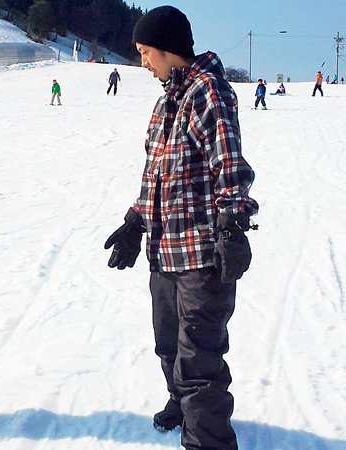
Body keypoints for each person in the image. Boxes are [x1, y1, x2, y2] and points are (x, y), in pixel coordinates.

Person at [104, 6, 257, 450]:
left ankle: (207, 440)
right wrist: (135, 222)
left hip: (202, 255)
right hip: (165, 251)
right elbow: (158, 173)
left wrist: (232, 225)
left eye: (146, 51)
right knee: (168, 345)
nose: (142, 62)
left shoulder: (208, 92)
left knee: (199, 362)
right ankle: (181, 404)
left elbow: (228, 164)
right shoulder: (166, 98)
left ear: (169, 50)